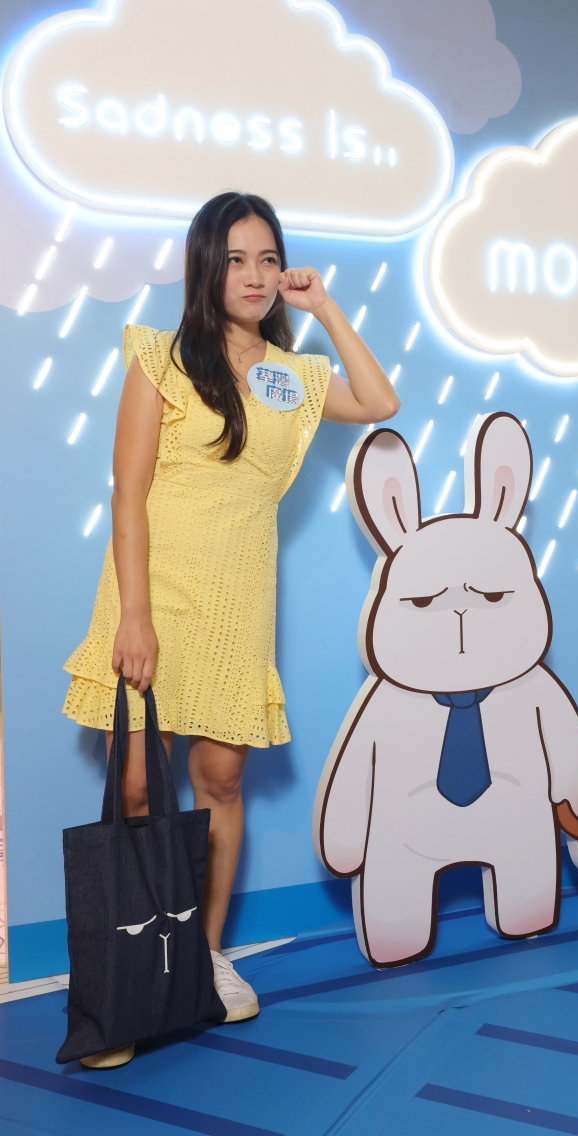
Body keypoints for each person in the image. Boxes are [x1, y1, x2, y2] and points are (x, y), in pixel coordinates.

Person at [63, 191, 399, 1067]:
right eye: (236, 259)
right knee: (138, 785)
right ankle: (125, 987)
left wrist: (323, 308)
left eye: (267, 259)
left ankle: (202, 958)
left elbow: (380, 399)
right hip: (154, 597)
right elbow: (128, 494)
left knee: (220, 780)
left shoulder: (292, 376)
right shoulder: (162, 359)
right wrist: (134, 617)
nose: (253, 276)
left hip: (239, 604)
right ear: (205, 266)